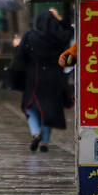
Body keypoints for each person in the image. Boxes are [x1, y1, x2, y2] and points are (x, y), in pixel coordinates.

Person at [12, 9, 73, 152]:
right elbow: (69, 31)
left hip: (34, 76)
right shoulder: (59, 37)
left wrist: (17, 46)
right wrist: (59, 19)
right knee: (49, 110)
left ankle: (36, 133)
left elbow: (22, 56)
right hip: (54, 77)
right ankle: (45, 142)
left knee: (30, 107)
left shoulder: (31, 36)